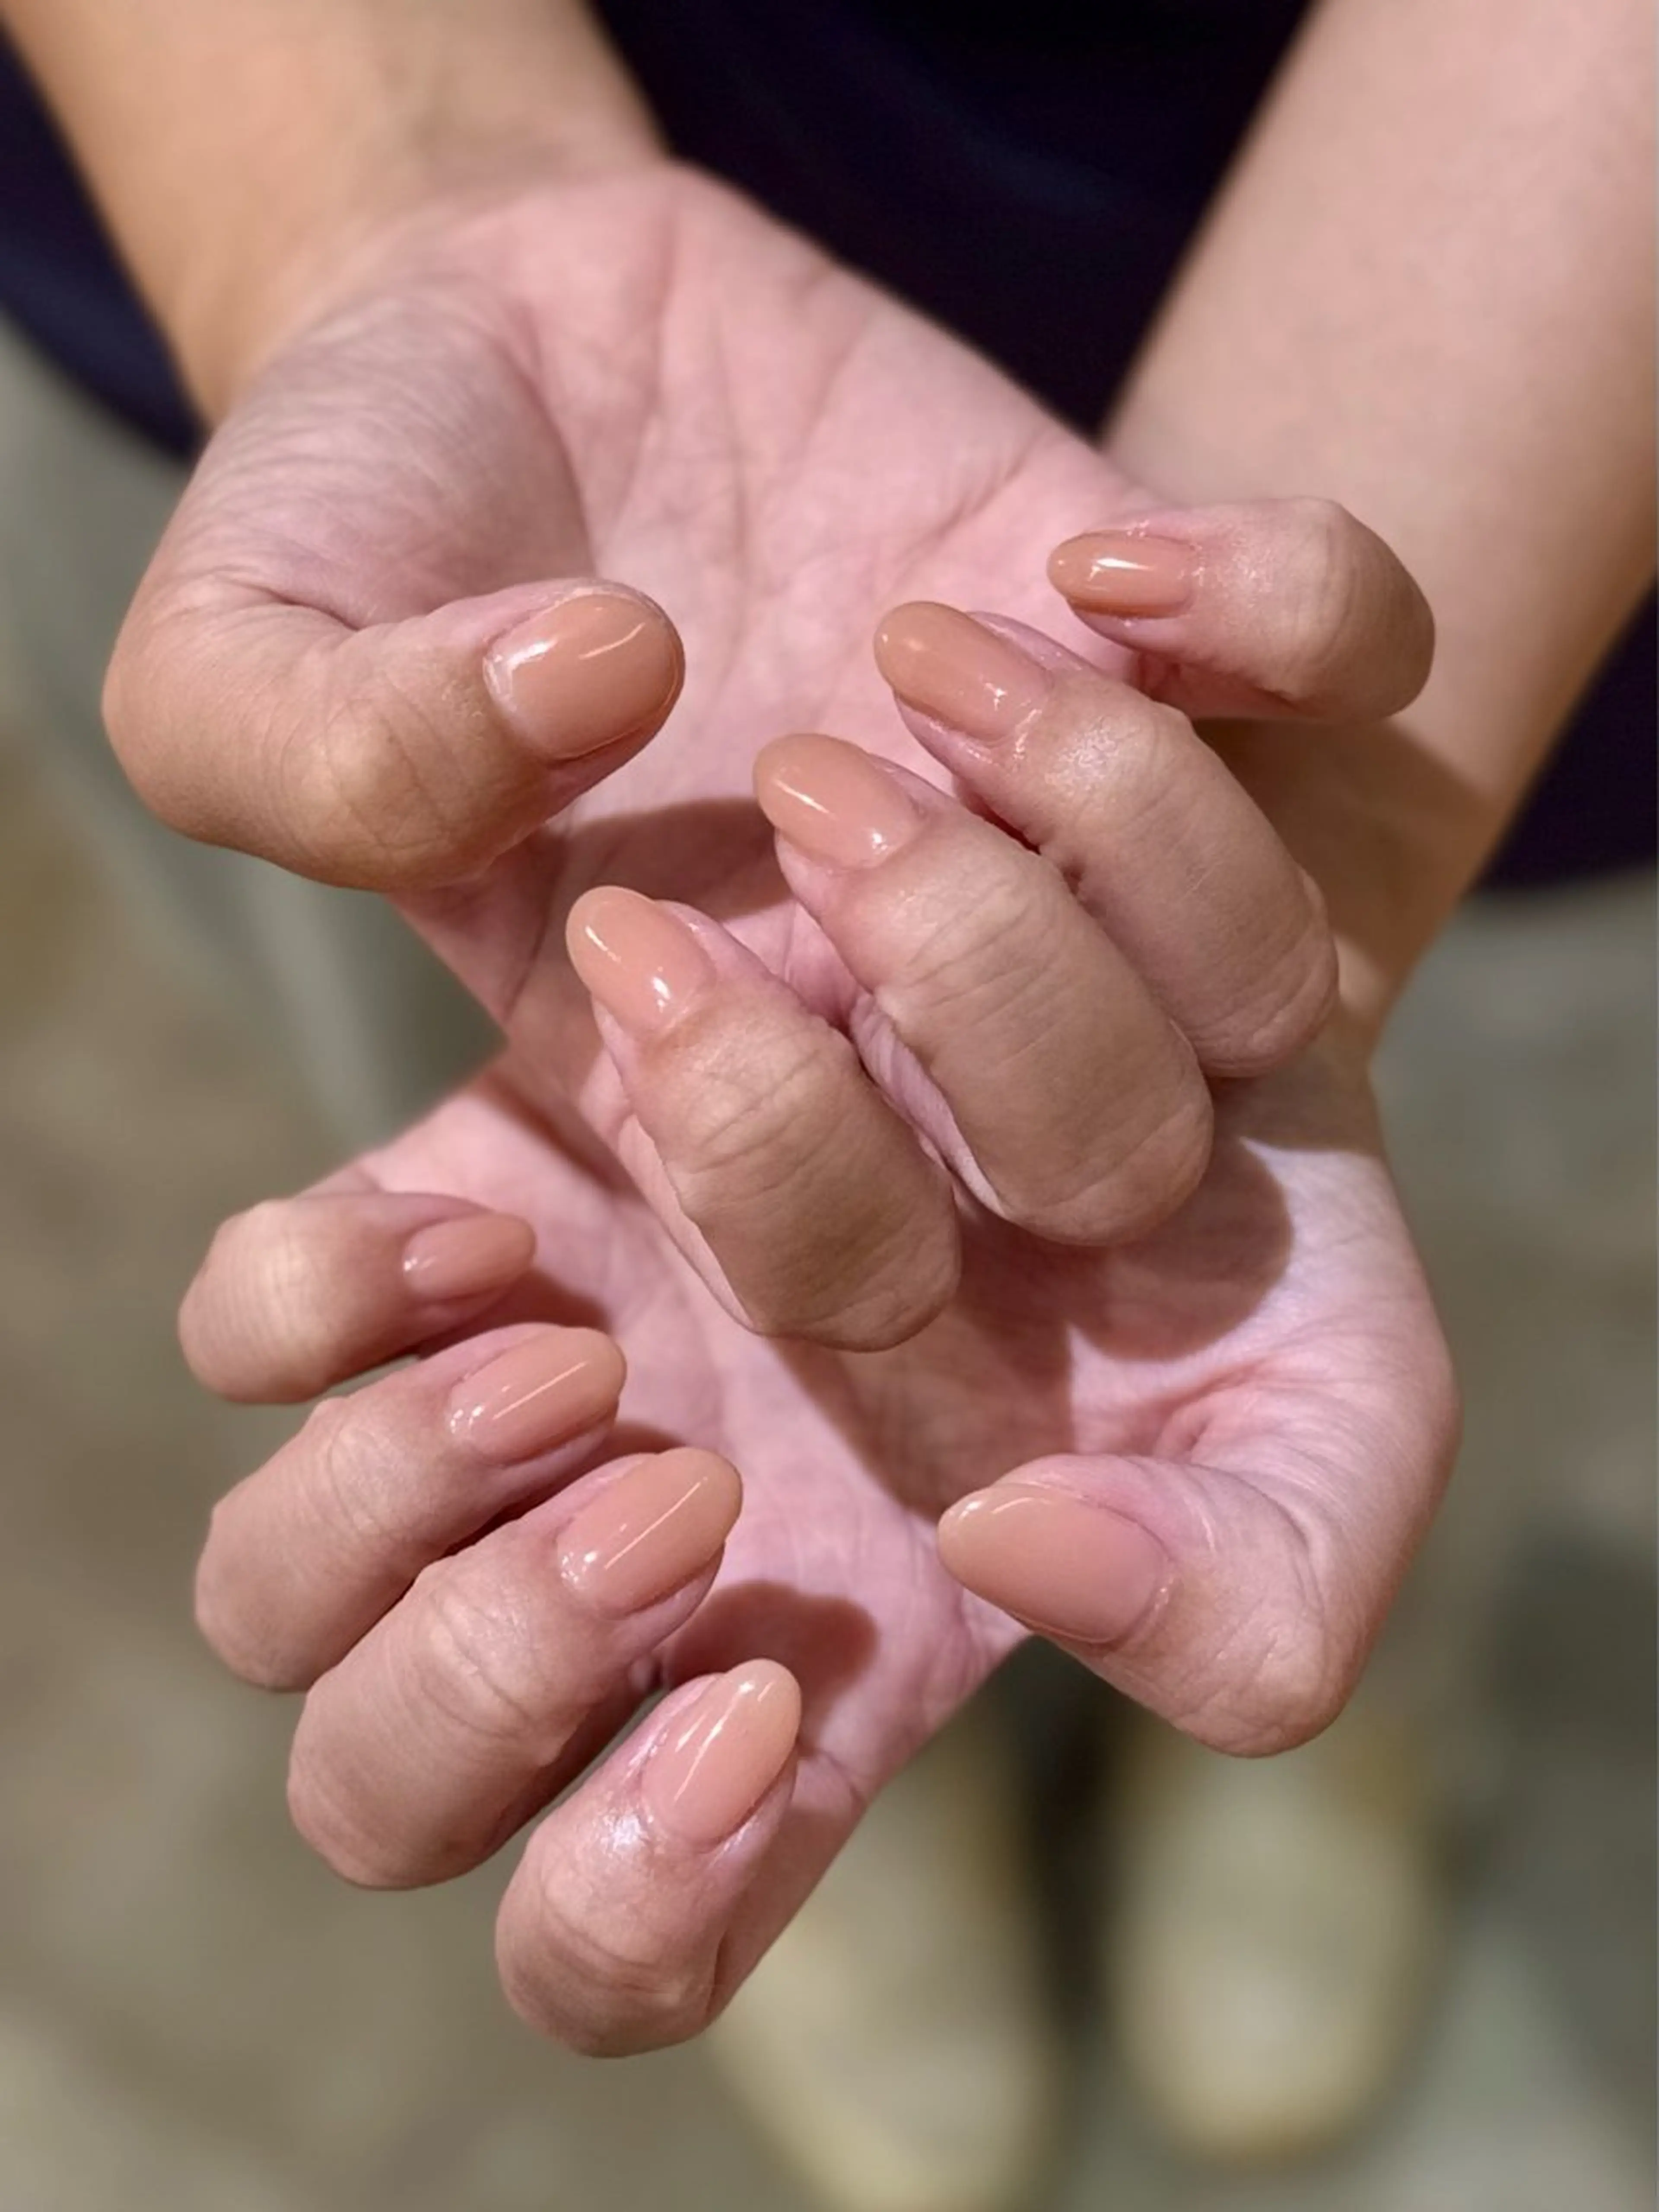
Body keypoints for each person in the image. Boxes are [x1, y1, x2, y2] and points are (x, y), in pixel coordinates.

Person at [0, 3, 1649, 2206]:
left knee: (1463, 1229)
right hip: (292, 253)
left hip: (1573, 397)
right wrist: (397, 189)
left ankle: (1369, 1677)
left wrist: (1309, 819)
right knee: (547, 1180)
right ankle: (765, 1675)